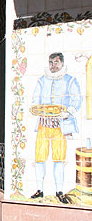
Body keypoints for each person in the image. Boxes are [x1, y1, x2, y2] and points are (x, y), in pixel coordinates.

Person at [30, 52, 81, 204]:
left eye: (56, 62)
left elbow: (77, 99)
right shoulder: (41, 81)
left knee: (59, 159)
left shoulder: (70, 80)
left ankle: (59, 191)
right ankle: (39, 190)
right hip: (43, 125)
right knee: (40, 158)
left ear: (62, 63)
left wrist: (68, 111)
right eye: (51, 62)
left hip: (60, 126)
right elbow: (34, 100)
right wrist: (37, 108)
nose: (53, 66)